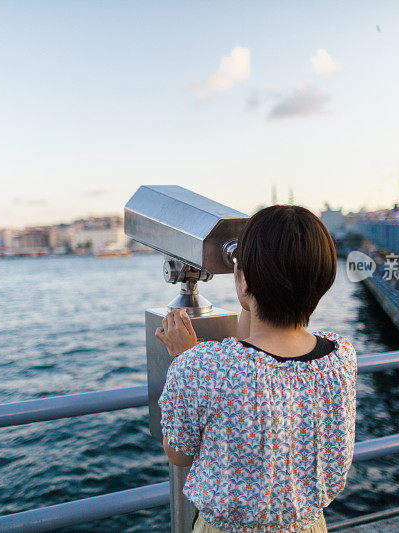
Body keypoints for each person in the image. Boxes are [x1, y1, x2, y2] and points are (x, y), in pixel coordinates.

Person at [155, 205, 357, 533]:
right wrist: (248, 288)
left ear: (244, 279)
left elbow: (178, 454)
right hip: (307, 524)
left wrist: (183, 359)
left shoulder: (199, 366)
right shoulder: (340, 358)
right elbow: (257, 356)